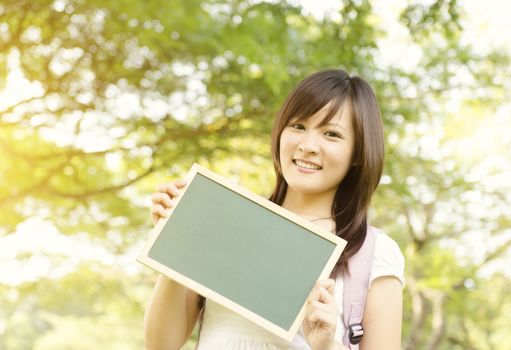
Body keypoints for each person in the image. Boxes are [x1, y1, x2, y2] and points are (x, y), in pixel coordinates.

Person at [144, 69, 405, 350]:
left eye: (331, 134)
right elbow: (161, 345)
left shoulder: (373, 253)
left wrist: (327, 346)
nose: (308, 146)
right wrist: (175, 240)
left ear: (358, 153)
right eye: (298, 126)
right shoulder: (227, 221)